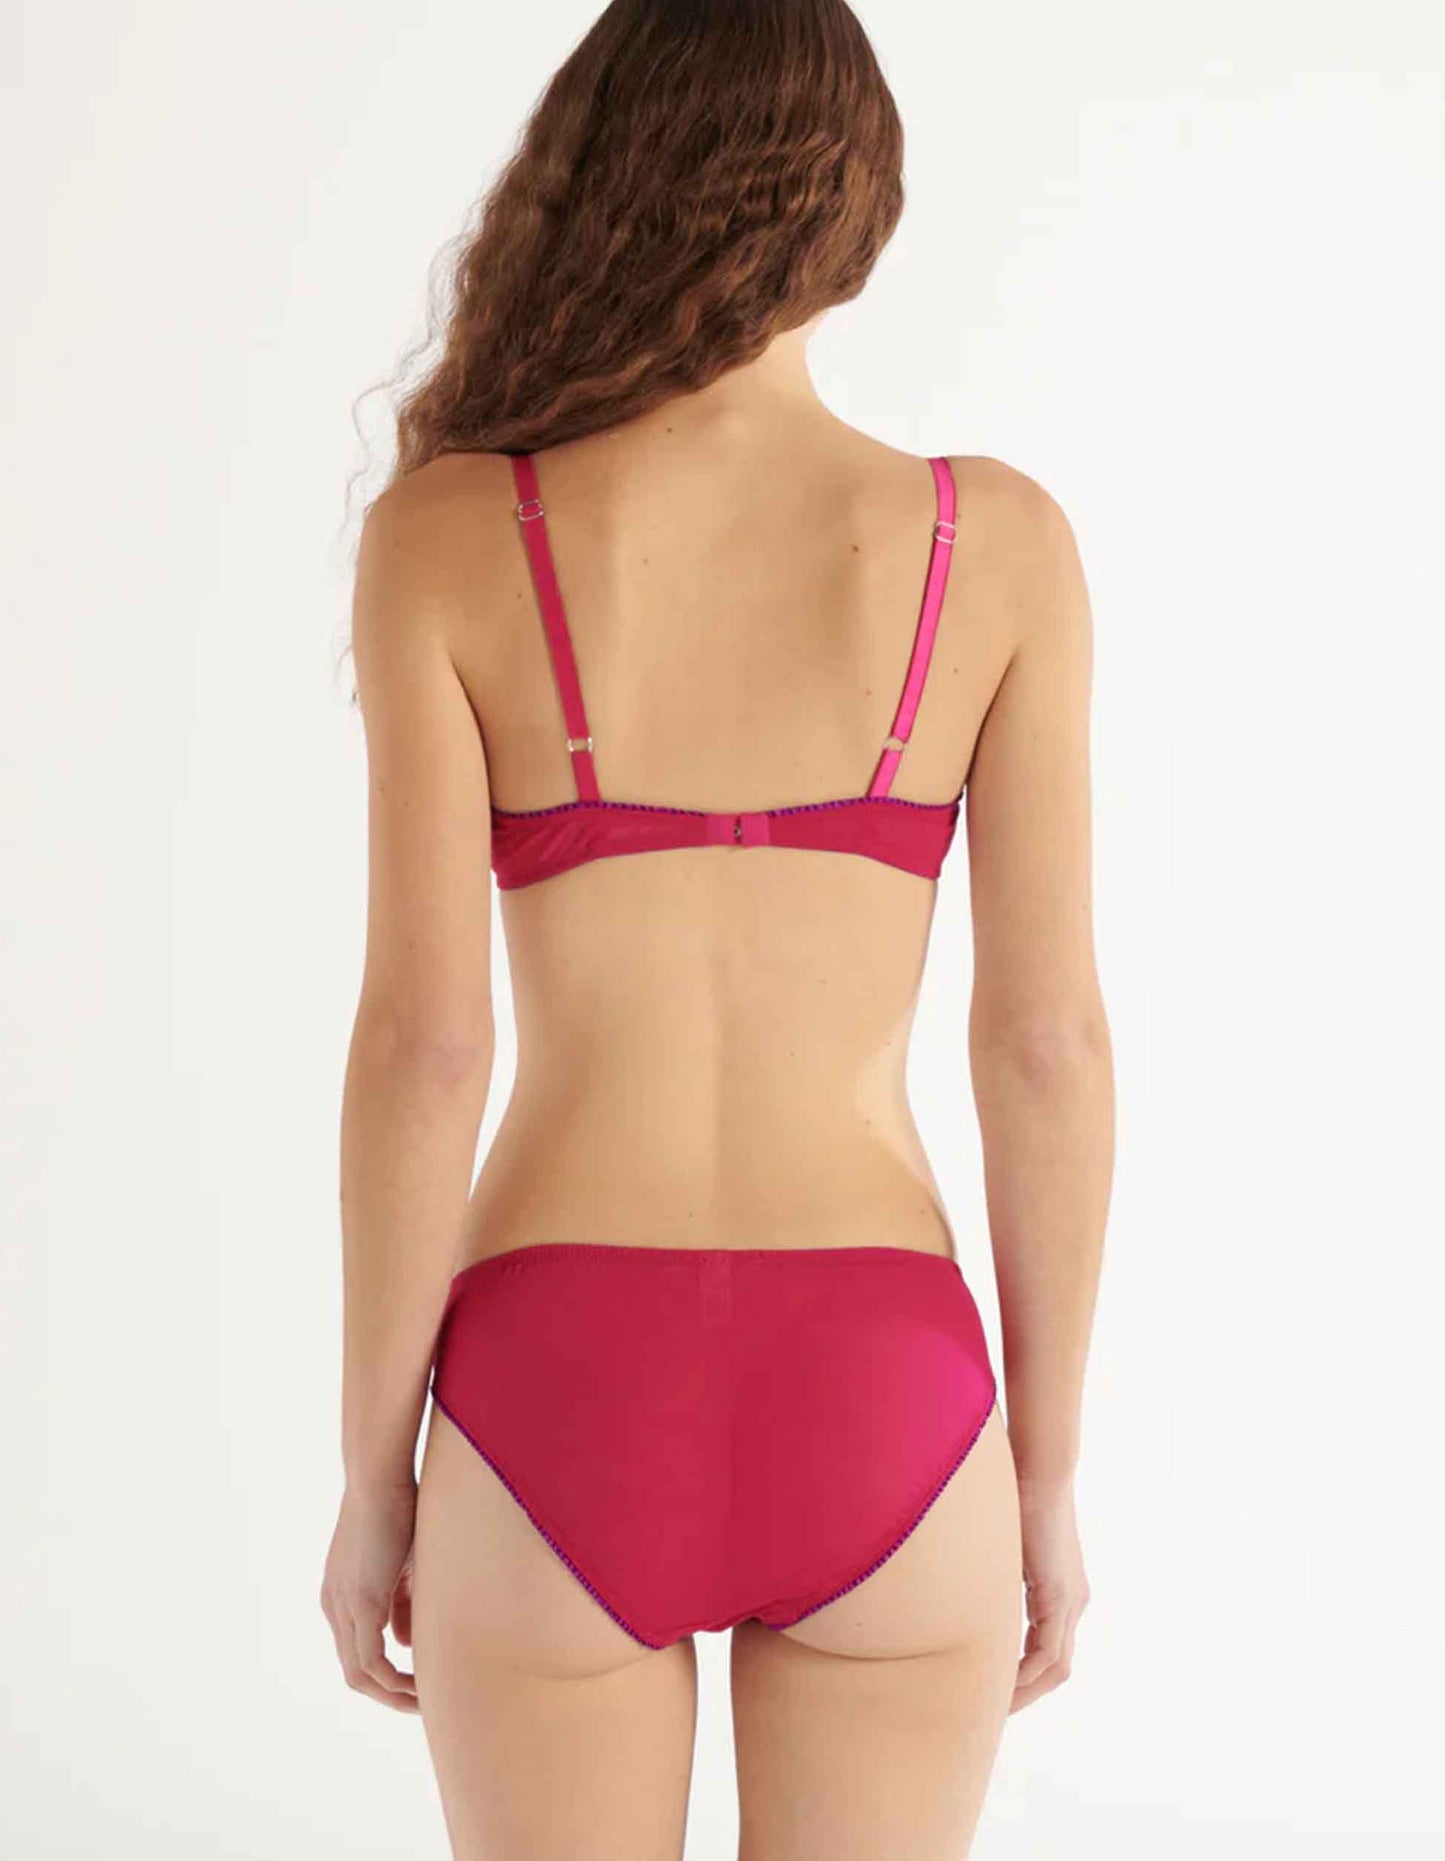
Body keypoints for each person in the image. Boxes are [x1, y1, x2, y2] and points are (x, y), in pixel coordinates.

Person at [320, 2, 1113, 1854]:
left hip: (558, 1385)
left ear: (594, 181)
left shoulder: (449, 535)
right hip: (882, 1382)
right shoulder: (993, 545)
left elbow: (426, 1049)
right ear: (860, 208)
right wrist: (1043, 1474)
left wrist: (373, 1477)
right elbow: (1042, 1044)